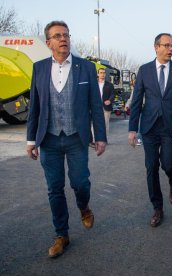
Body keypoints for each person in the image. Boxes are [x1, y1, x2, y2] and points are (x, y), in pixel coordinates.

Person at [26, 20, 107, 258]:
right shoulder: (39, 68)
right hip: (49, 139)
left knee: (80, 182)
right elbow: (35, 108)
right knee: (54, 189)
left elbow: (95, 104)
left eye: (66, 35)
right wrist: (31, 140)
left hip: (76, 138)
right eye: (58, 36)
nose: (63, 39)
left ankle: (84, 207)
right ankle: (61, 234)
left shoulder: (86, 68)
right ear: (48, 42)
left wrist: (100, 136)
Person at [128, 33, 172, 227]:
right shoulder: (144, 70)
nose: (170, 49)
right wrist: (132, 129)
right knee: (151, 166)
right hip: (149, 127)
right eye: (166, 45)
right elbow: (137, 100)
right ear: (156, 47)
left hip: (171, 128)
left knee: (168, 164)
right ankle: (157, 207)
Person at [97, 68, 115, 139]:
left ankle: (104, 139)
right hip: (96, 107)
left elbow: (113, 94)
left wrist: (109, 100)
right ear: (98, 74)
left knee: (105, 124)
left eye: (104, 73)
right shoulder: (94, 84)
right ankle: (95, 139)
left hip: (106, 107)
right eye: (101, 73)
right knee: (95, 124)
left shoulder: (109, 85)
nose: (102, 74)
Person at [125, 79, 142, 145]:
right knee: (139, 123)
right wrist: (127, 105)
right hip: (138, 108)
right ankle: (139, 138)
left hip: (146, 108)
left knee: (142, 123)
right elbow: (131, 98)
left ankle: (140, 138)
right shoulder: (135, 89)